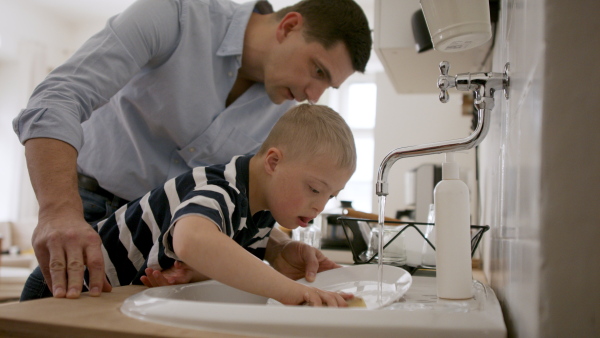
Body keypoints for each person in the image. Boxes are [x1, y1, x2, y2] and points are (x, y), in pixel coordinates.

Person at [13, 0, 372, 299]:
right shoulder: (177, 14)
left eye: (328, 85)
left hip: (162, 254)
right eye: (318, 71)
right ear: (289, 26)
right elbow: (57, 97)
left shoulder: (284, 114)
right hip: (86, 220)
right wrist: (59, 210)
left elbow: (225, 197)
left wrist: (274, 248)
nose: (314, 94)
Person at [22, 104, 358, 306]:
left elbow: (212, 257)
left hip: (100, 294)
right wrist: (289, 291)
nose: (320, 206)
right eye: (315, 189)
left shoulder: (259, 214)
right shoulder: (221, 188)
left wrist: (277, 256)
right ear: (272, 162)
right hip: (63, 283)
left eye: (329, 195)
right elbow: (192, 239)